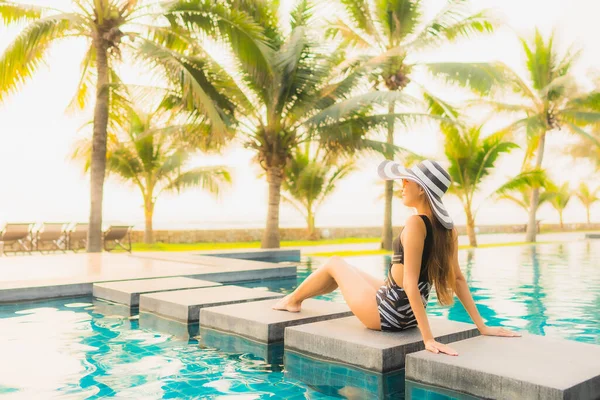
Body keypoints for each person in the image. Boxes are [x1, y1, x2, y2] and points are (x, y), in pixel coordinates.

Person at [272, 159, 521, 355]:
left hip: (388, 313)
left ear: (421, 190)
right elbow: (458, 279)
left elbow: (410, 283)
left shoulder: (416, 224)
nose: (402, 185)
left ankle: (292, 301)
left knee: (335, 263)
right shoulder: (449, 229)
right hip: (406, 313)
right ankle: (296, 299)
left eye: (408, 182)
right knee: (347, 269)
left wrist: (428, 339)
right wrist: (482, 326)